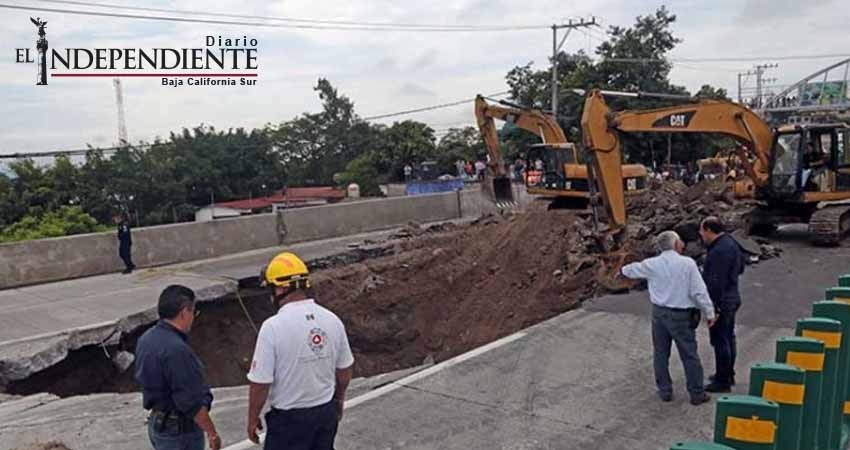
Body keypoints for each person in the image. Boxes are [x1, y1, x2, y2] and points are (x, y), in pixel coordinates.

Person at [247, 252, 354, 450]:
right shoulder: (332, 319)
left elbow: (260, 382)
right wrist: (338, 400)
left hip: (290, 421)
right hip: (325, 414)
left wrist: (252, 418)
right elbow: (344, 371)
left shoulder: (272, 327)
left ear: (281, 288)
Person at [621, 231, 716, 405]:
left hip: (659, 313)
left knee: (660, 353)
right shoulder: (687, 264)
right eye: (680, 241)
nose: (682, 244)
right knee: (689, 354)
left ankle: (664, 391)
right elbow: (698, 291)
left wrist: (621, 267)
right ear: (676, 244)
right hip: (681, 316)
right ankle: (696, 393)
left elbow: (630, 270)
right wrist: (709, 312)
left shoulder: (651, 264)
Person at [135, 285, 221, 450]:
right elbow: (191, 403)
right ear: (184, 312)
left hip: (158, 424)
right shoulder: (177, 351)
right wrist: (212, 433)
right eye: (193, 312)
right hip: (179, 433)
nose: (193, 318)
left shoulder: (146, 339)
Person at [700, 216, 745, 393]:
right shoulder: (730, 243)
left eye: (702, 231)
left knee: (720, 341)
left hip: (722, 301)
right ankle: (727, 373)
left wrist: (714, 309)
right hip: (732, 296)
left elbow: (715, 282)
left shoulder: (718, 251)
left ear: (710, 231)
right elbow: (741, 267)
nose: (700, 235)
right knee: (728, 338)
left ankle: (722, 381)